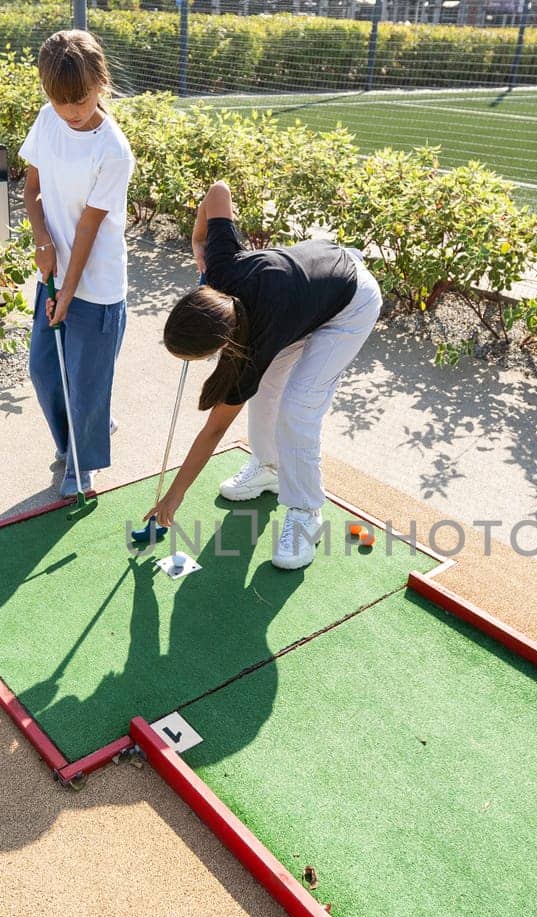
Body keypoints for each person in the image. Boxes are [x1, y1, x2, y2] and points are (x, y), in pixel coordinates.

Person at [146, 180, 383, 570]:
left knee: (298, 406)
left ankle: (306, 511)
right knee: (267, 389)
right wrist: (198, 242)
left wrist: (174, 496)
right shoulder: (219, 270)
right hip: (301, 295)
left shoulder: (254, 343)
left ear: (223, 342)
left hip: (349, 301)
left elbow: (214, 429)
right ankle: (269, 467)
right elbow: (219, 191)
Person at [20, 29, 134, 497]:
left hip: (97, 284)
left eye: (81, 98)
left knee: (86, 382)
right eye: (61, 99)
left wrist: (67, 292)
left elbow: (88, 228)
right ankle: (79, 439)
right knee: (43, 369)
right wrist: (41, 239)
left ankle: (82, 465)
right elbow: (32, 189)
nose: (72, 110)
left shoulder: (113, 150)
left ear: (101, 82)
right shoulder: (47, 121)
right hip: (55, 271)